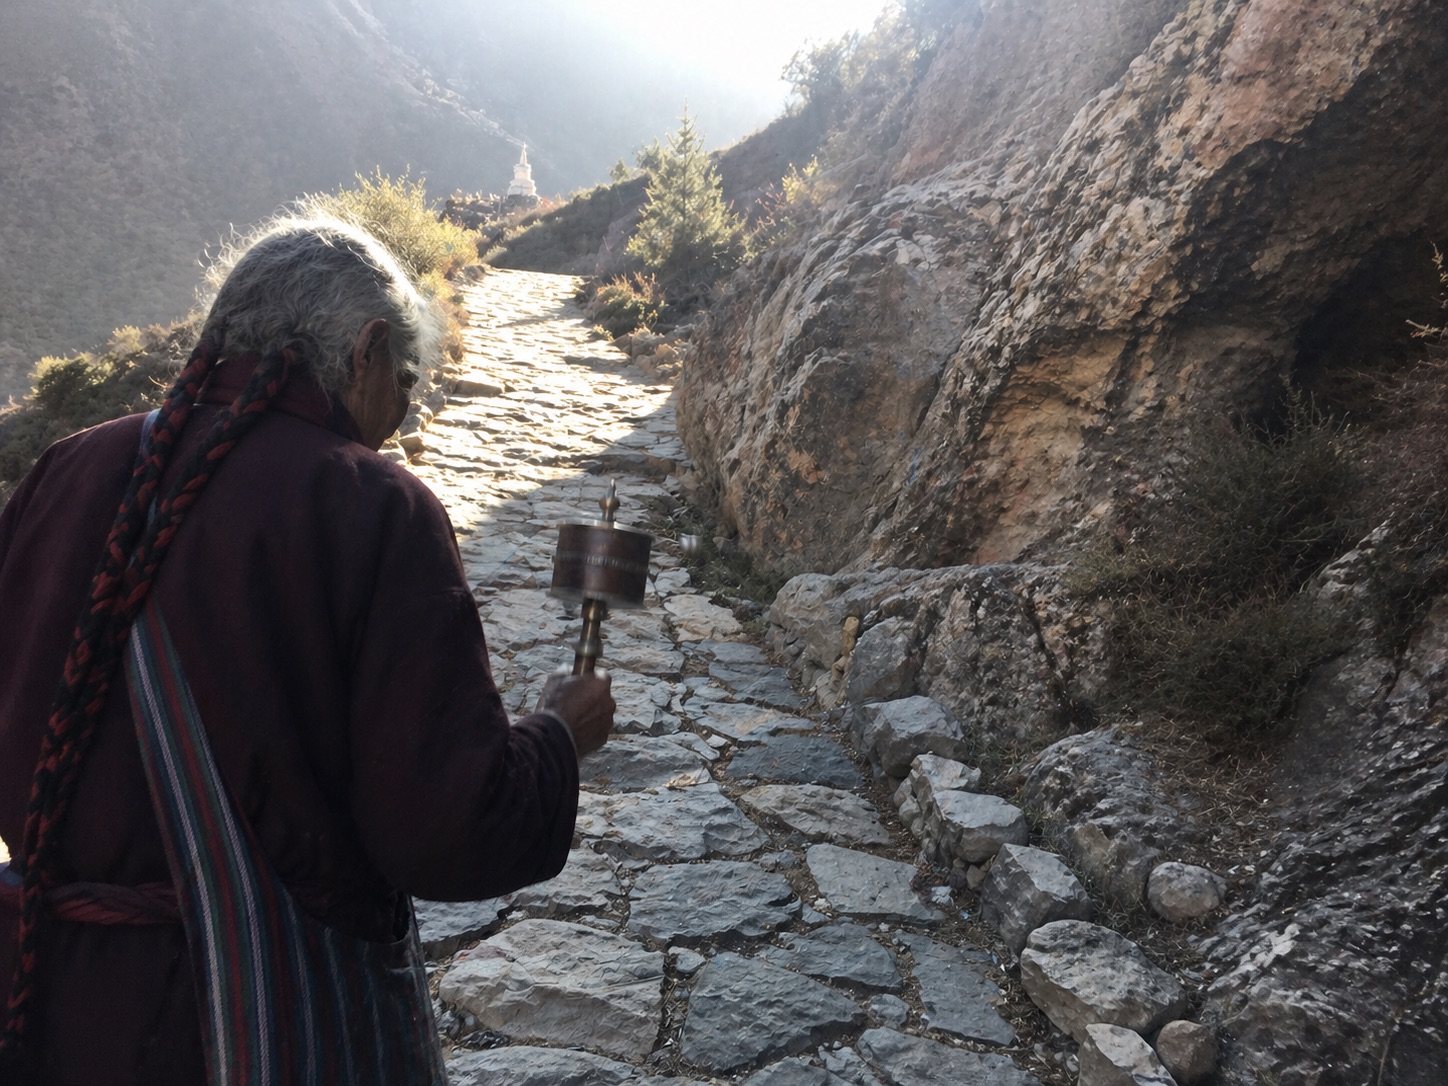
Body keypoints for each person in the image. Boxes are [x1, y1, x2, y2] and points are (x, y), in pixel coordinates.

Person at [0, 213, 615, 1084]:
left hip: (53, 1009)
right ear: (364, 351)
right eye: (405, 379)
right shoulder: (372, 508)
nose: (400, 421)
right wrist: (556, 735)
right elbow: (447, 828)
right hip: (253, 1029)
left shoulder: (61, 474)